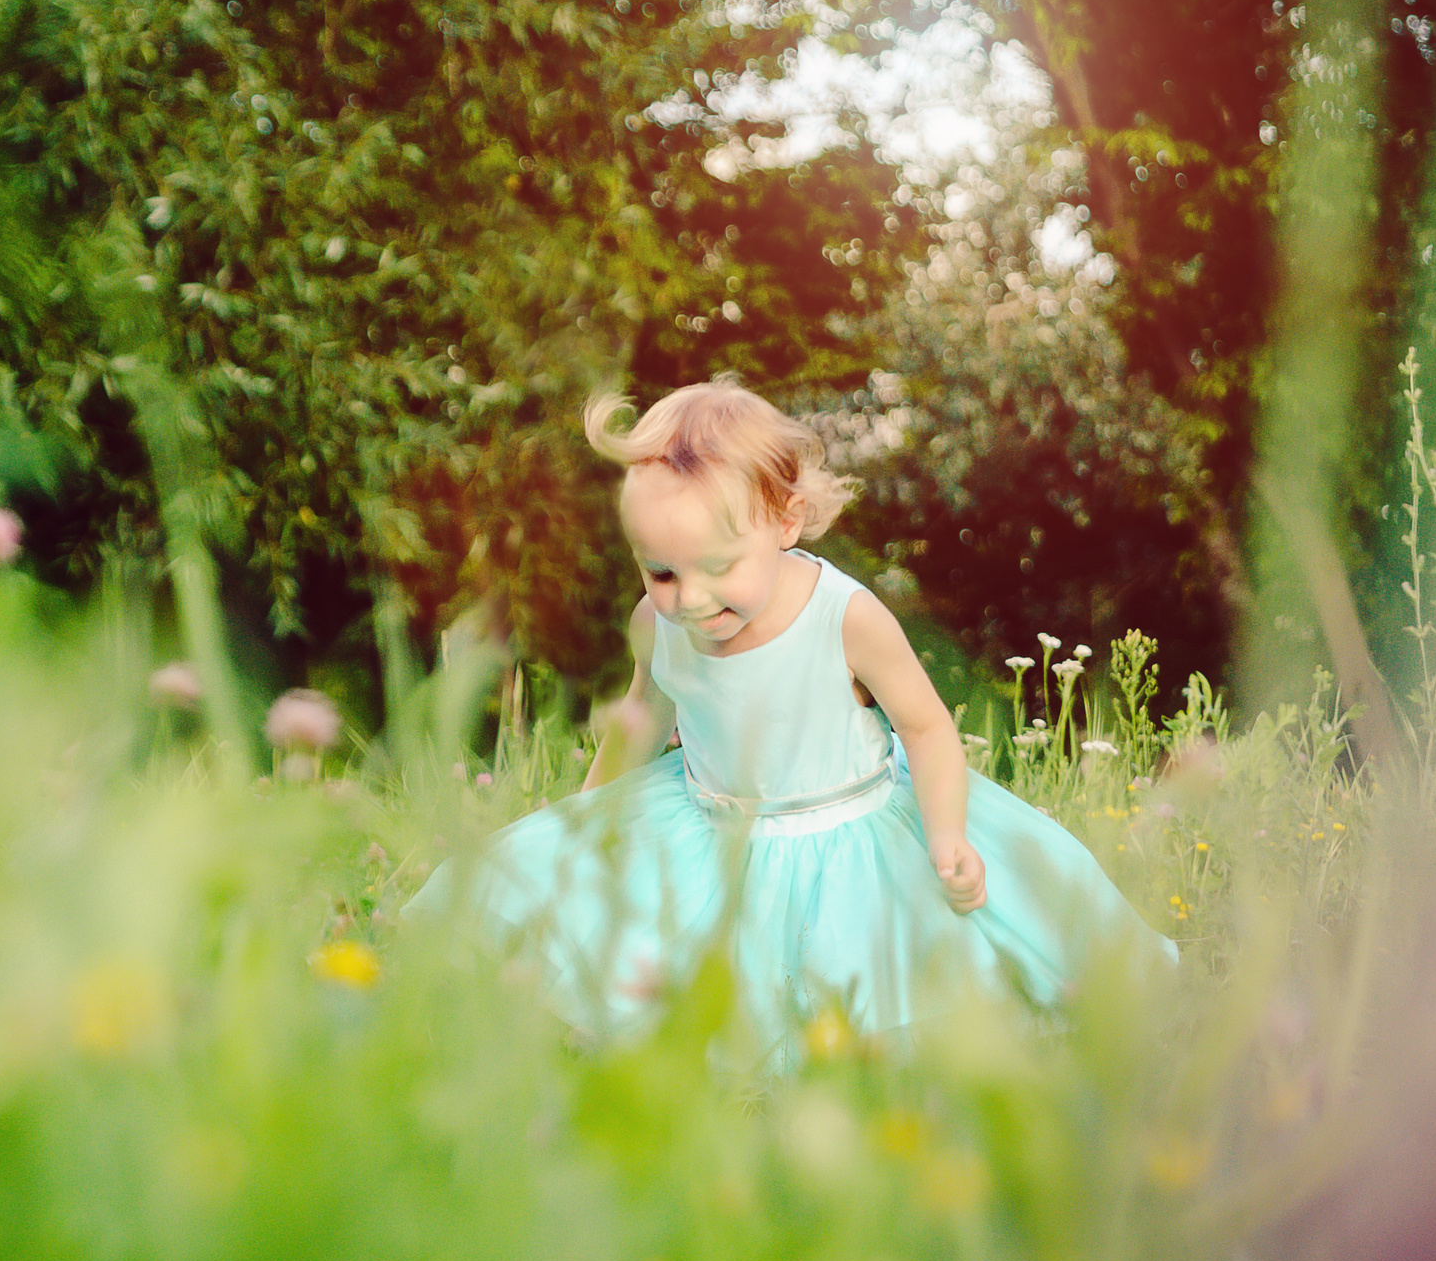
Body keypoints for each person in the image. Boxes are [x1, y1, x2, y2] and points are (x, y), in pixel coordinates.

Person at [406, 376, 1171, 1066]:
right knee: (617, 935)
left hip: (848, 826)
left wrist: (946, 834)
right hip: (710, 826)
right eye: (661, 571)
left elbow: (929, 729)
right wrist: (586, 821)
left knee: (874, 983)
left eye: (716, 567)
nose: (691, 599)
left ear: (787, 521)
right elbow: (639, 716)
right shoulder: (659, 623)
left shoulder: (846, 619)